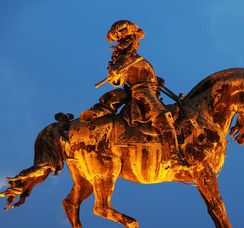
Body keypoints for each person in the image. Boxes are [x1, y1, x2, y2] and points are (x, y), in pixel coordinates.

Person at [80, 20, 187, 166]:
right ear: (129, 40)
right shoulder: (125, 58)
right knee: (164, 120)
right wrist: (115, 74)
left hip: (150, 91)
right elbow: (120, 78)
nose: (137, 42)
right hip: (142, 94)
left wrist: (156, 81)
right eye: (135, 38)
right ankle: (174, 158)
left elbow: (141, 74)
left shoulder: (135, 58)